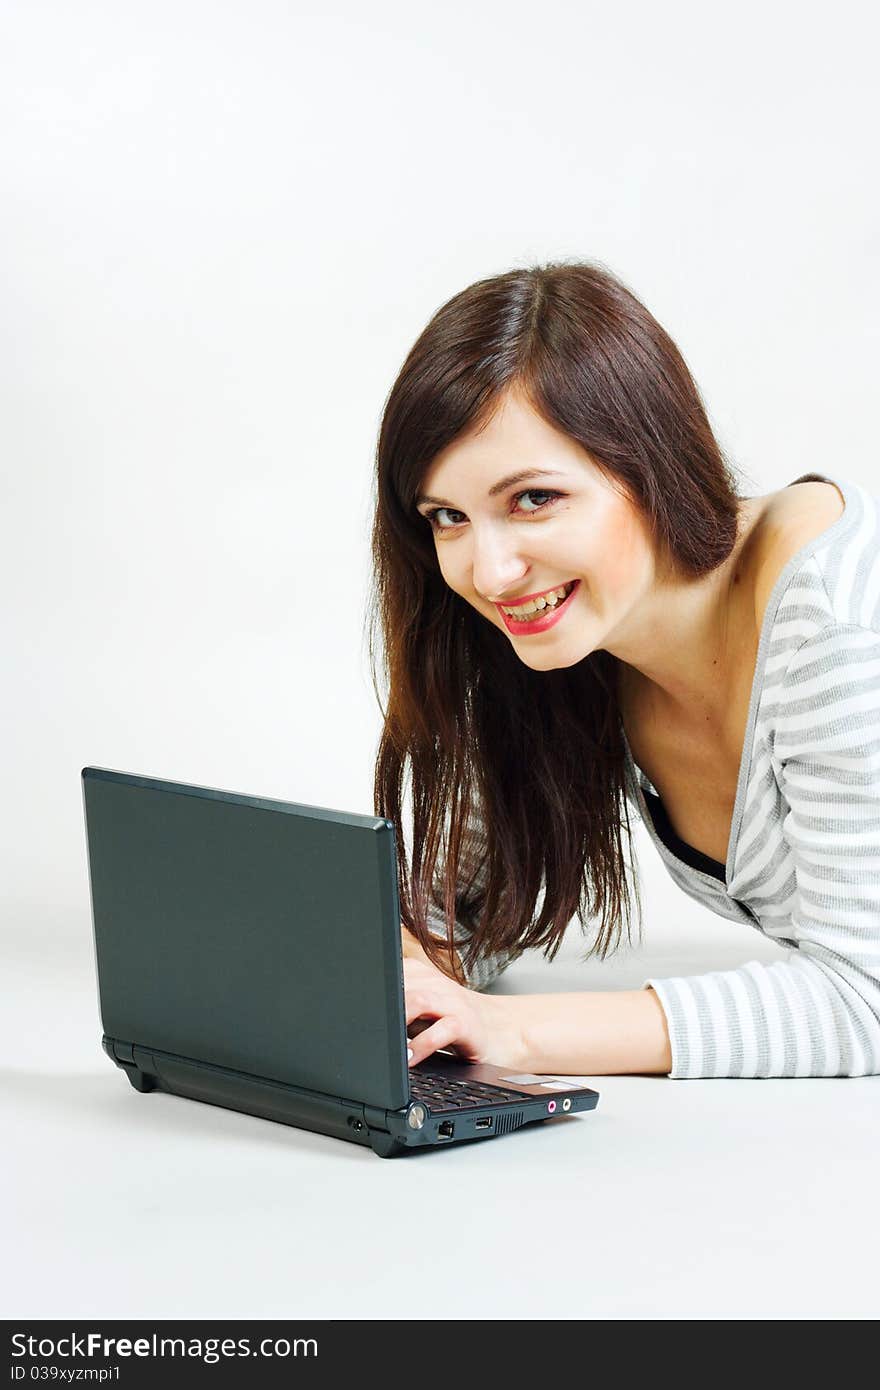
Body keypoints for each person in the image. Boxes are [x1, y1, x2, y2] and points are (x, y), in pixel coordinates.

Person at [366, 260, 880, 1079]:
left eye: (534, 498)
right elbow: (447, 913)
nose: (490, 572)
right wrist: (412, 986)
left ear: (650, 461)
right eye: (449, 516)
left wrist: (514, 1033)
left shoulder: (839, 614)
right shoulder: (581, 639)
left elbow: (867, 1000)